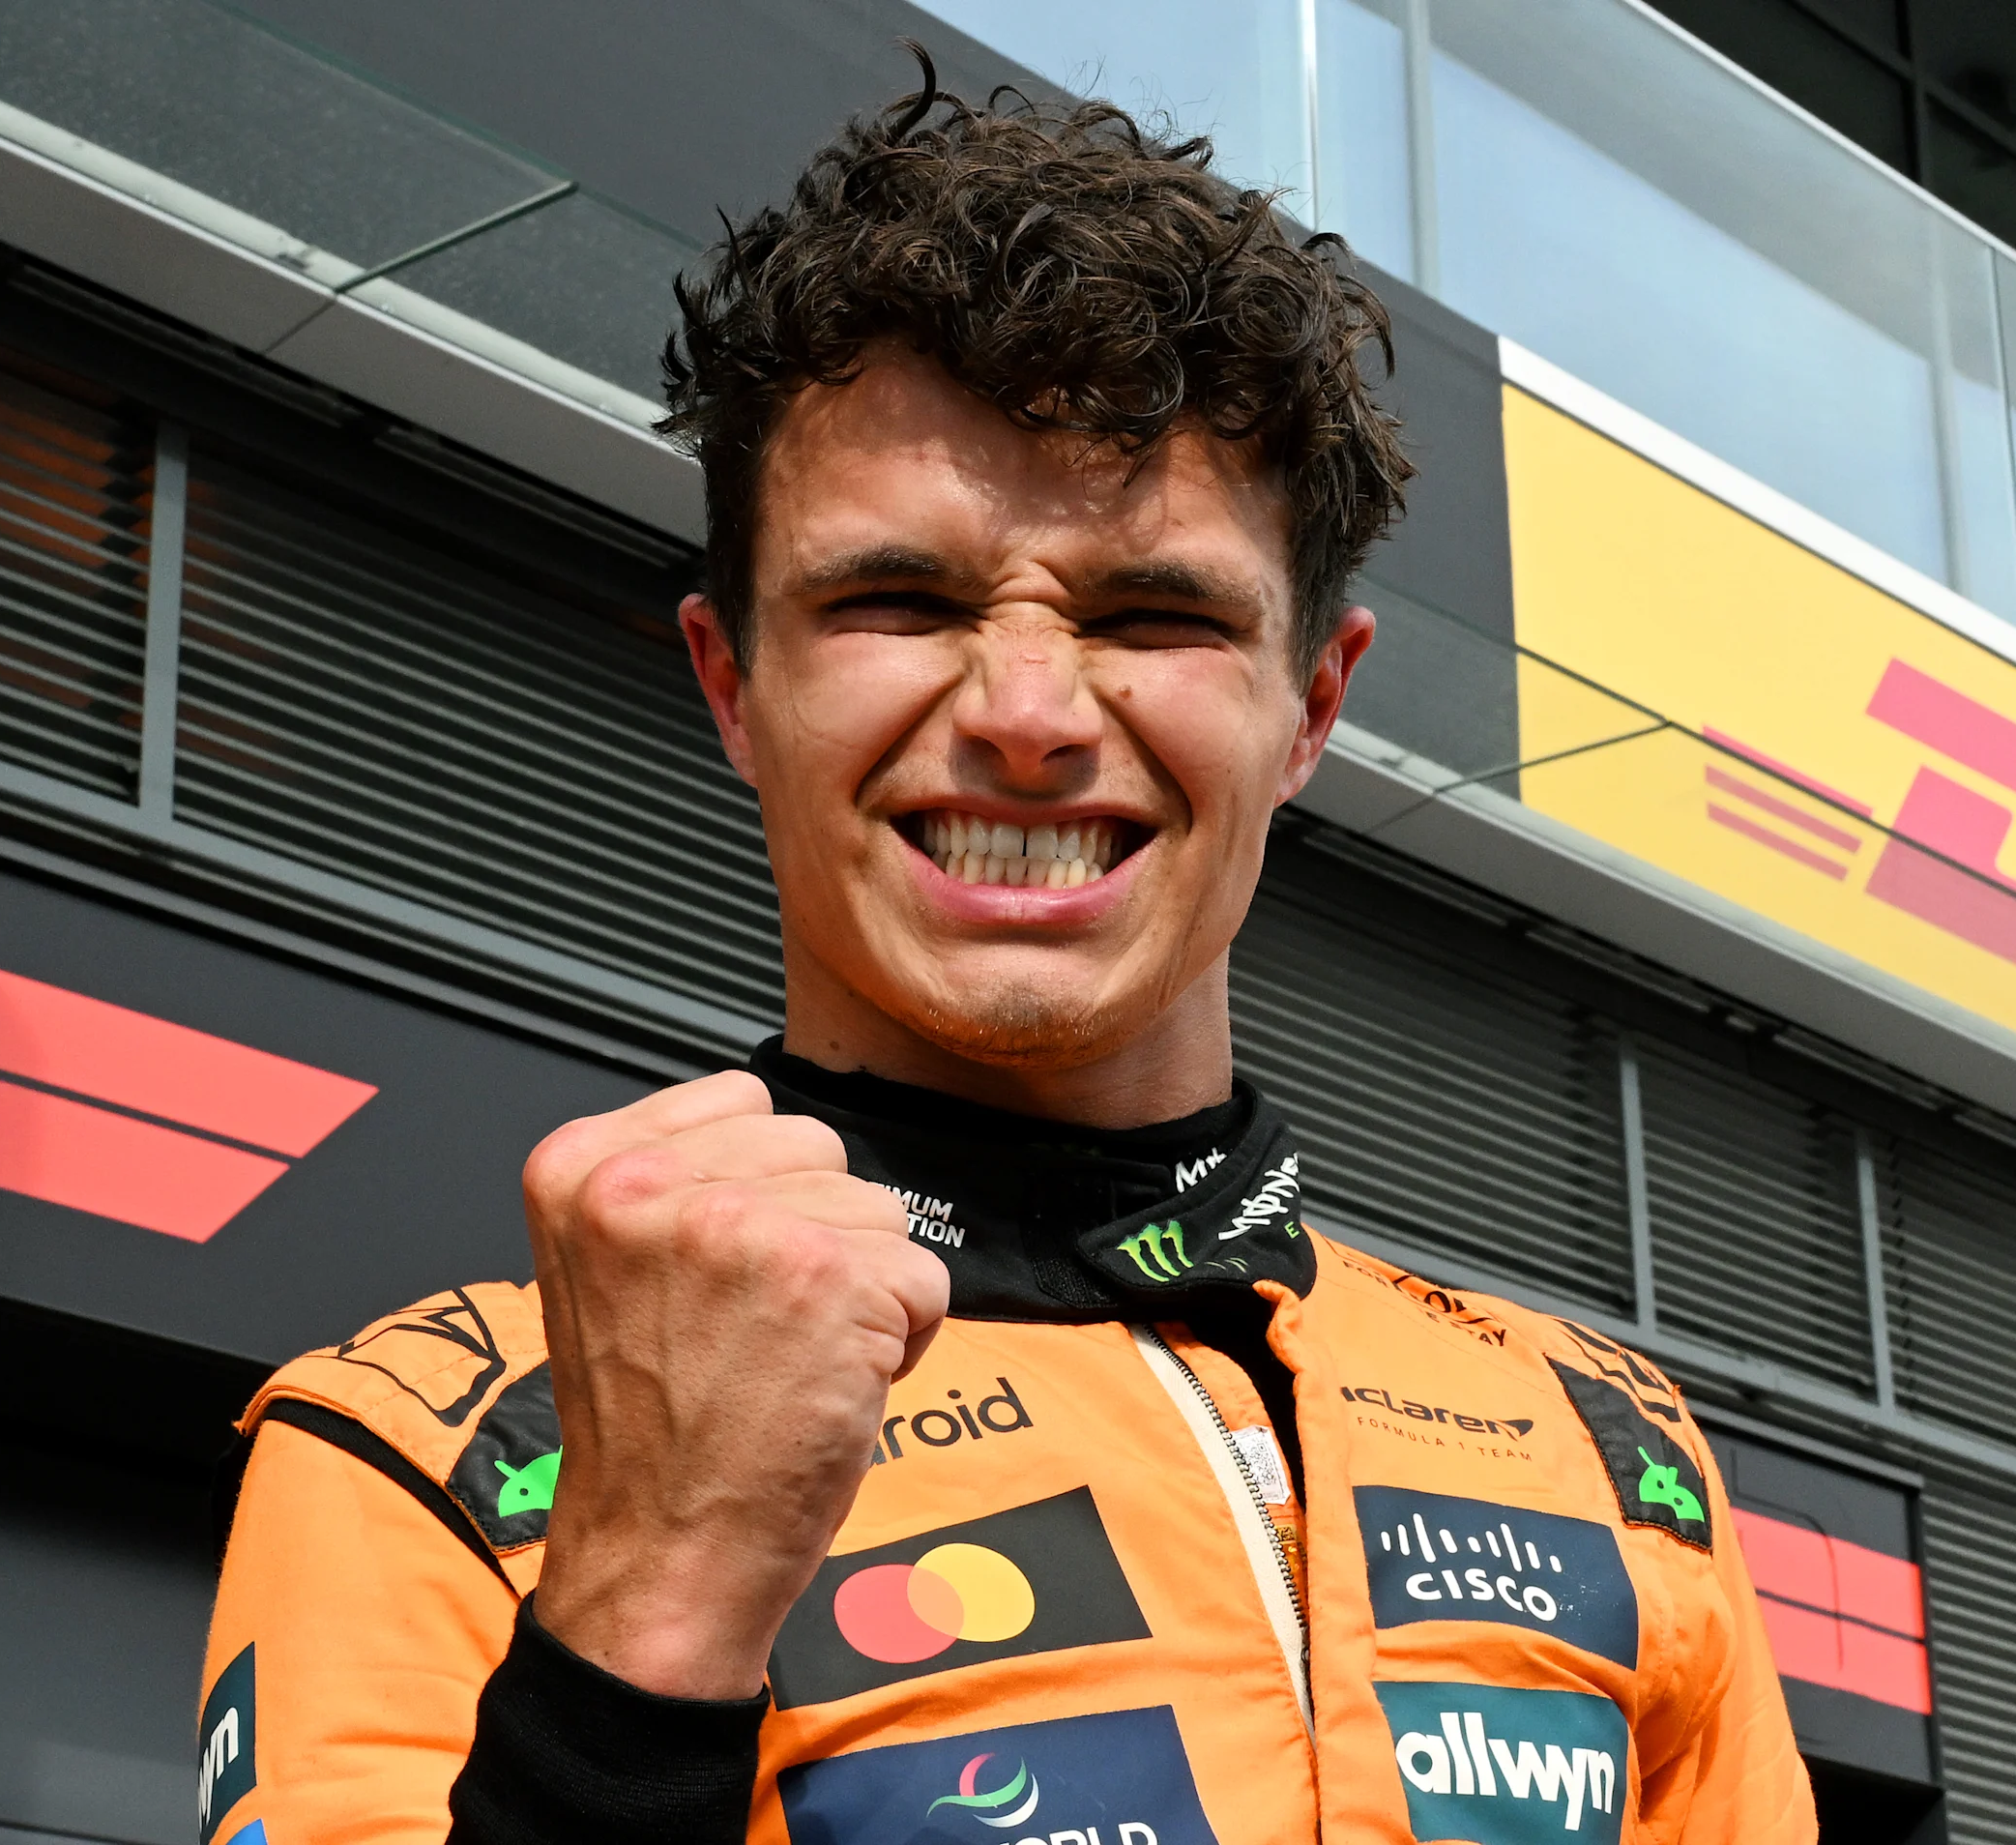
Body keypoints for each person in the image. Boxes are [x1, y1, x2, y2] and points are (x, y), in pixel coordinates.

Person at [195, 58, 1812, 1845]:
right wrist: (648, 1604)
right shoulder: (422, 1445)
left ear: (1313, 709)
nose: (1031, 715)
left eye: (1155, 613)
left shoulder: (1611, 1450)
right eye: (900, 600)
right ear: (735, 684)